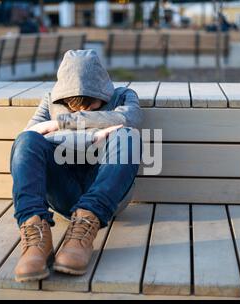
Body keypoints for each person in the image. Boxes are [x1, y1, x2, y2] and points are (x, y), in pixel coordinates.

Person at [10, 49, 143, 281]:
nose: (84, 110)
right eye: (73, 108)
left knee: (128, 136)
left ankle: (84, 227)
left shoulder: (123, 96)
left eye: (92, 105)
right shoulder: (49, 99)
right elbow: (29, 135)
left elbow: (127, 119)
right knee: (26, 142)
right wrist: (94, 136)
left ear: (103, 89)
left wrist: (59, 124)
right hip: (64, 191)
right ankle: (35, 232)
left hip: (106, 195)